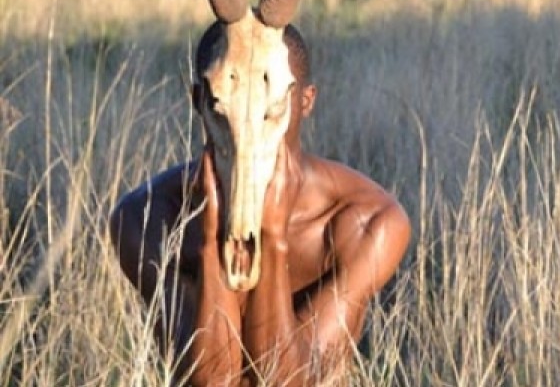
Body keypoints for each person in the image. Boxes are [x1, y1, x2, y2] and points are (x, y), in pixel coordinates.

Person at [110, 23, 411, 386]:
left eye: (272, 107)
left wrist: (272, 238)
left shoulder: (370, 220)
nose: (249, 132)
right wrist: (213, 241)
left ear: (305, 101)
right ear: (200, 101)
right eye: (228, 105)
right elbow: (213, 380)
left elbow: (286, 381)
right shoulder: (144, 217)